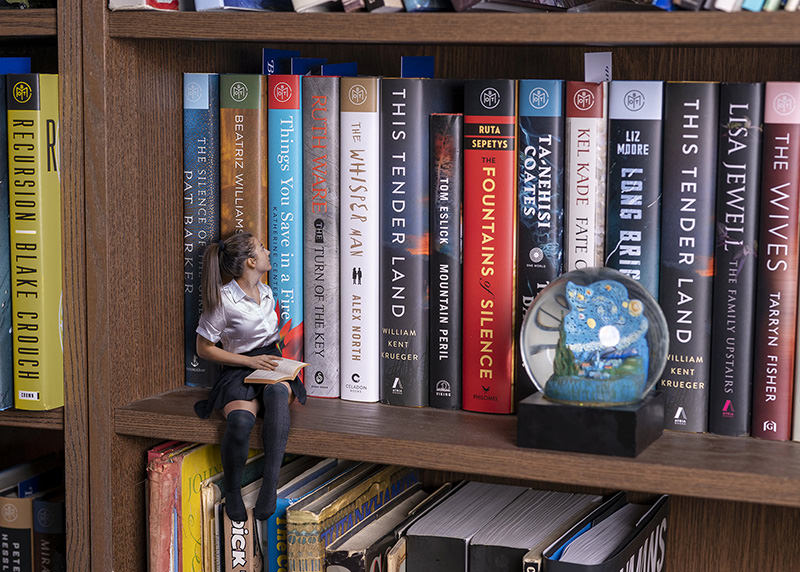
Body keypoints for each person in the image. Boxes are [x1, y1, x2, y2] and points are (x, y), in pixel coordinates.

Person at [193, 232, 306, 522]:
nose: (268, 252)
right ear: (251, 262)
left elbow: (271, 339)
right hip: (239, 366)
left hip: (269, 360)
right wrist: (248, 361)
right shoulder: (224, 300)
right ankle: (233, 491)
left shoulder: (266, 292)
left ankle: (269, 487)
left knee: (277, 393)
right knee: (240, 422)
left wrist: (277, 362)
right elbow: (204, 348)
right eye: (262, 248)